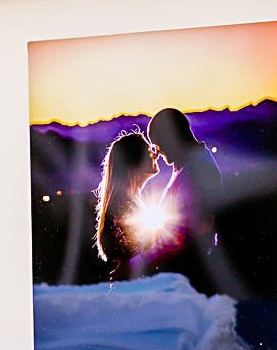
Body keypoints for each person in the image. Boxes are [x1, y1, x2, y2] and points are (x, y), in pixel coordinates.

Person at [147, 108, 223, 256]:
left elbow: (186, 236)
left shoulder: (199, 169)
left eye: (158, 144)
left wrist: (139, 263)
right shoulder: (188, 166)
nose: (158, 152)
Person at [94, 130, 161, 278]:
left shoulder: (127, 202)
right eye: (150, 150)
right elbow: (134, 259)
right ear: (135, 161)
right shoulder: (123, 207)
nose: (156, 155)